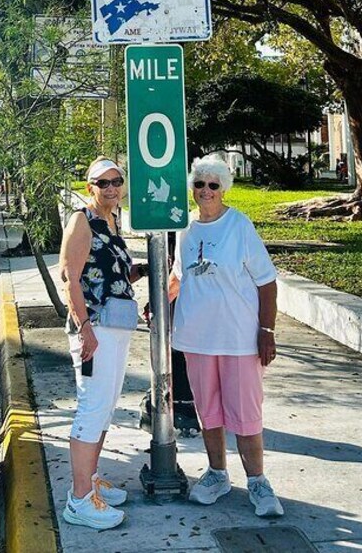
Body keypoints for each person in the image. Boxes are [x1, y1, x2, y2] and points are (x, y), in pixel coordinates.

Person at [168, 155, 284, 518]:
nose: (205, 191)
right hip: (196, 339)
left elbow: (266, 282)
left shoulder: (239, 226)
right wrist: (159, 299)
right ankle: (217, 475)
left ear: (224, 188)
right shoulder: (185, 230)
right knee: (209, 413)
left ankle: (258, 482)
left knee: (246, 415)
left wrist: (266, 331)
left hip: (238, 339)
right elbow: (178, 277)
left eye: (213, 185)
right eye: (199, 184)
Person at [58, 156, 147, 530]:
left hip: (117, 325)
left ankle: (91, 480)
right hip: (95, 327)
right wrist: (84, 328)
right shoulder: (82, 220)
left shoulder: (112, 221)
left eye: (116, 181)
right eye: (102, 183)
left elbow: (111, 272)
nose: (110, 188)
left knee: (106, 406)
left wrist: (142, 271)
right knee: (92, 407)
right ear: (89, 186)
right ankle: (79, 500)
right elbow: (70, 277)